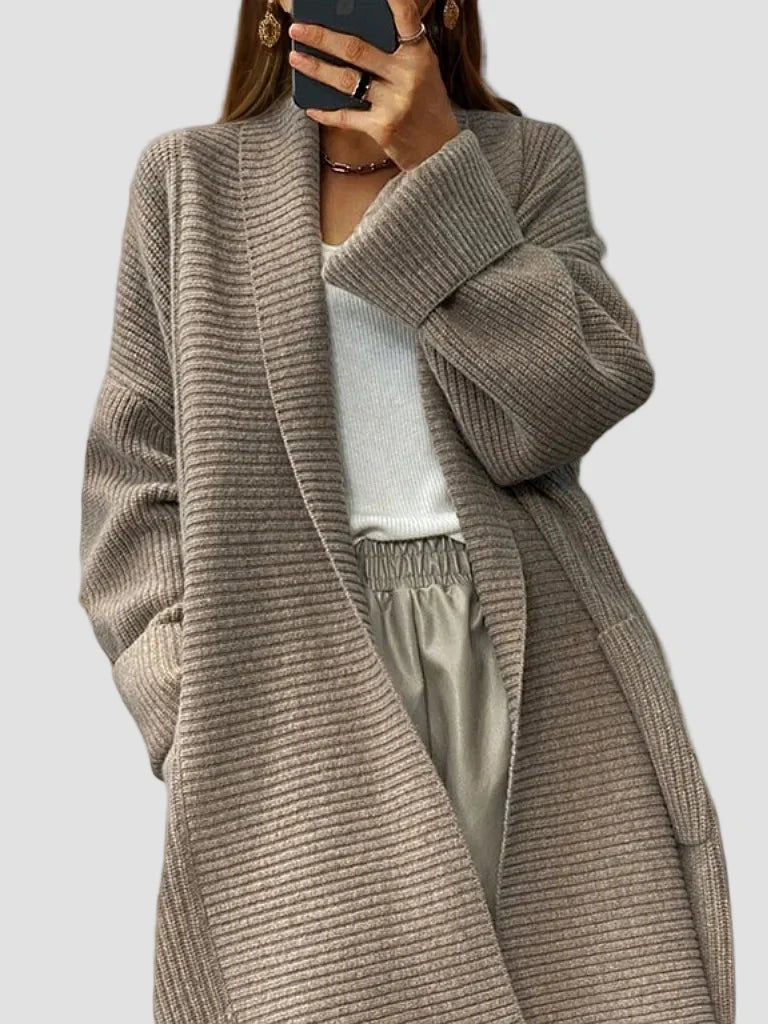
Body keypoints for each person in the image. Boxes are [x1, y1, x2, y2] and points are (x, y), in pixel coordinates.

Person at [77, 2, 735, 1021]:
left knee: (574, 982)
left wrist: (437, 169)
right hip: (288, 677)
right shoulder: (189, 180)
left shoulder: (524, 164)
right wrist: (188, 702)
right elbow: (134, 476)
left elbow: (561, 410)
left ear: (443, 7)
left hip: (524, 657)